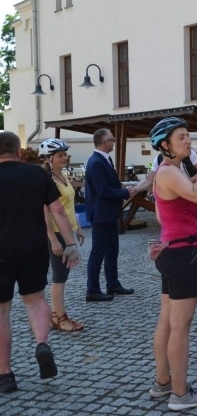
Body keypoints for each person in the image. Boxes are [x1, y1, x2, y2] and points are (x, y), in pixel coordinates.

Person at [0, 132, 81, 393]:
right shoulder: (37, 175)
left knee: (2, 312)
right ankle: (41, 343)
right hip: (33, 248)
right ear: (20, 152)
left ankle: (5, 374)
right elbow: (57, 210)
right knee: (35, 299)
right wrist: (70, 244)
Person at [148, 117, 197, 410]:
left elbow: (165, 215)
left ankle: (162, 383)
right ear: (166, 145)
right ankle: (180, 394)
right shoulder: (170, 172)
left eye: (189, 136)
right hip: (183, 253)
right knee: (180, 327)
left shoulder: (168, 172)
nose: (189, 141)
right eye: (182, 137)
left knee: (167, 322)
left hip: (172, 251)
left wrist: (193, 203)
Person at [140, 149, 197, 288]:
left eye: (186, 136)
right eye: (181, 137)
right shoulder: (159, 160)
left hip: (192, 198)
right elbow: (150, 180)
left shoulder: (190, 154)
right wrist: (136, 189)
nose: (187, 141)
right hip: (178, 210)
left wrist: (184, 183)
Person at [84, 128, 140, 301]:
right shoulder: (97, 162)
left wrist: (122, 189)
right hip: (101, 214)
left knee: (112, 250)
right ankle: (92, 289)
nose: (114, 142)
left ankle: (113, 283)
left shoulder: (103, 160)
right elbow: (103, 191)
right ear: (104, 142)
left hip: (108, 213)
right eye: (112, 139)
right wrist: (125, 193)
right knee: (98, 252)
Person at [40, 139, 86, 332]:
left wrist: (78, 228)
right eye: (60, 155)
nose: (65, 157)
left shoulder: (62, 177)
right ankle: (60, 318)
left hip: (66, 231)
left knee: (62, 275)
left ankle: (54, 316)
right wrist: (52, 240)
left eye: (65, 154)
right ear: (49, 159)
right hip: (57, 234)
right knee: (59, 277)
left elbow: (67, 207)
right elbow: (45, 213)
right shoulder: (47, 180)